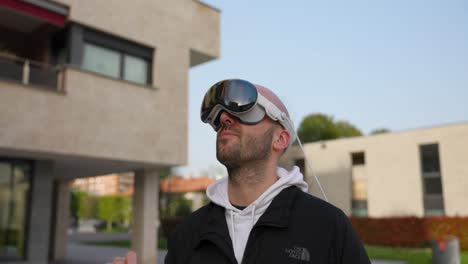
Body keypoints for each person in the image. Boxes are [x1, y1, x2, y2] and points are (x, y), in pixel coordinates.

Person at [113, 79, 371, 264]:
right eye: (219, 116)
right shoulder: (188, 234)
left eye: (244, 109)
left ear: (280, 139)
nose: (224, 119)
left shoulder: (327, 226)